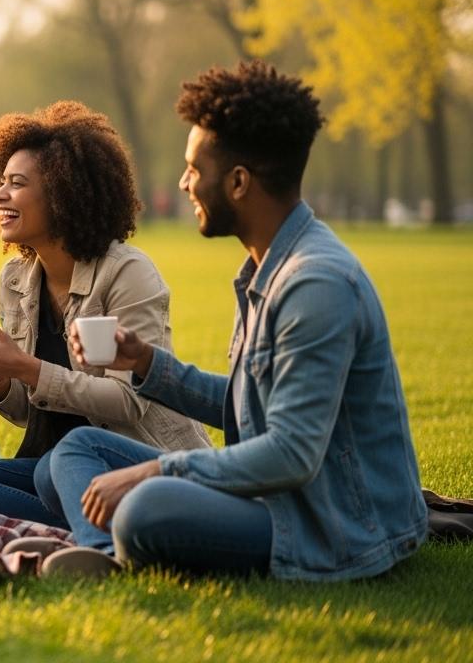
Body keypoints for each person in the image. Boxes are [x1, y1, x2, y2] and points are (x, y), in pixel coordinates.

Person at [40, 61, 426, 579]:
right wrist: (148, 363)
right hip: (277, 496)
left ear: (239, 182)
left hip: (330, 524)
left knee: (143, 508)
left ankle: (112, 547)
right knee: (78, 449)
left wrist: (157, 469)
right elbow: (250, 409)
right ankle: (103, 555)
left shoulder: (315, 285)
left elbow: (290, 454)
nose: (183, 183)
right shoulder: (268, 270)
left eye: (195, 170)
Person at [0, 101, 210, 526]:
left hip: (134, 460)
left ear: (61, 193)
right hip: (50, 468)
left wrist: (26, 366)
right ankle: (82, 523)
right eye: (0, 182)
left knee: (52, 468)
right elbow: (26, 412)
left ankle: (92, 521)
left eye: (16, 184)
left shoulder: (127, 273)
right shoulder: (17, 278)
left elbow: (130, 402)